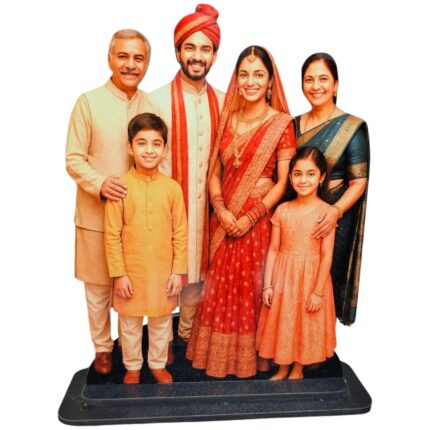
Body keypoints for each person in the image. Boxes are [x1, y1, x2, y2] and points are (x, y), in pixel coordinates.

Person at [186, 46, 296, 378]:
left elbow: (283, 182)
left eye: (258, 75)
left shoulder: (281, 124)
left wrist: (251, 216)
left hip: (257, 224)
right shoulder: (227, 118)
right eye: (244, 74)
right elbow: (214, 173)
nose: (250, 82)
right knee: (219, 290)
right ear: (236, 78)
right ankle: (218, 359)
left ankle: (253, 360)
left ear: (270, 81)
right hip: (225, 221)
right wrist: (220, 210)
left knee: (250, 290)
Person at [66, 29, 154, 374]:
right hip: (96, 215)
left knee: (134, 287)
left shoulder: (151, 106)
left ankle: (130, 348)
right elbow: (73, 158)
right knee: (99, 288)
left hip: (138, 219)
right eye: (123, 56)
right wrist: (100, 183)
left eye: (138, 58)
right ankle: (103, 348)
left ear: (146, 63)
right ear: (110, 59)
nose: (131, 65)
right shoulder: (88, 103)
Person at [149, 4, 224, 343]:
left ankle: (187, 338)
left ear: (214, 55)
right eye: (190, 47)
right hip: (163, 212)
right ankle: (161, 345)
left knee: (198, 275)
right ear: (178, 51)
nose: (197, 56)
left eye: (205, 49)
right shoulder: (154, 101)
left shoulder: (224, 102)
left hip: (208, 211)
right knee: (162, 276)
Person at [104, 113, 187, 384]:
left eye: (156, 144)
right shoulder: (120, 187)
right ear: (130, 148)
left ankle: (157, 364)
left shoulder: (172, 189)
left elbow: (180, 233)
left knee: (161, 321)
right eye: (142, 143)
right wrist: (119, 274)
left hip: (163, 272)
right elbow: (112, 235)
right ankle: (132, 367)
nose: (149, 150)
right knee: (129, 323)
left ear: (164, 149)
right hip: (131, 272)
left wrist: (178, 272)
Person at [295, 53, 370, 325]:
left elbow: (358, 181)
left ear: (336, 85)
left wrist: (334, 212)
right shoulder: (292, 124)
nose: (316, 86)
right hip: (296, 219)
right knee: (293, 284)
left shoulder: (351, 128)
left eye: (323, 79)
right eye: (309, 80)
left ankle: (320, 344)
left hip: (333, 221)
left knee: (324, 286)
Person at [256, 147, 337, 380]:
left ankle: (298, 369)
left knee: (305, 323)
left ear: (321, 177)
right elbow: (273, 249)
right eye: (298, 174)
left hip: (311, 278)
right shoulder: (283, 210)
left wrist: (318, 292)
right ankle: (283, 367)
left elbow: (326, 255)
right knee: (285, 323)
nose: (303, 180)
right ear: (290, 177)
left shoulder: (326, 213)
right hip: (284, 278)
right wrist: (267, 285)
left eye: (311, 174)